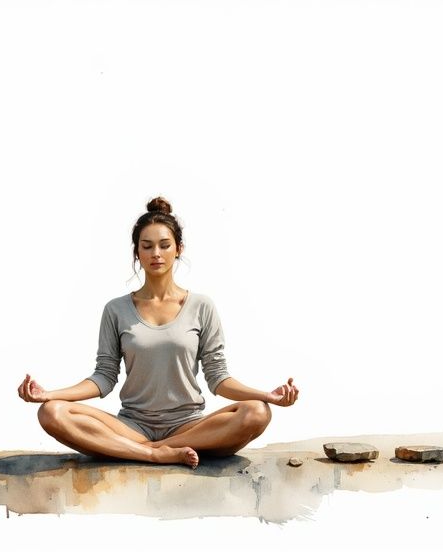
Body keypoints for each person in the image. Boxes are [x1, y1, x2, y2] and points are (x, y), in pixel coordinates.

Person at [17, 196, 299, 468]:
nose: (156, 254)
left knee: (257, 412)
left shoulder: (202, 306)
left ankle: (157, 449)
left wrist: (267, 395)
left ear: (179, 249)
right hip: (131, 426)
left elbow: (218, 378)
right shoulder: (116, 310)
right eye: (147, 246)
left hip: (190, 426)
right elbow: (104, 377)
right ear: (136, 252)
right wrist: (49, 394)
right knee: (51, 412)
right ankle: (153, 454)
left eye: (164, 245)